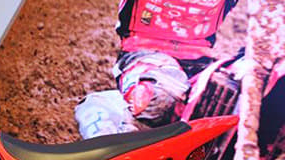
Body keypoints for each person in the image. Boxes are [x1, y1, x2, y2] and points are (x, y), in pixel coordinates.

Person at [75, 0, 239, 138]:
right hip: (147, 55)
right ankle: (126, 147)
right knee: (158, 96)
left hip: (202, 64)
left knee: (244, 92)